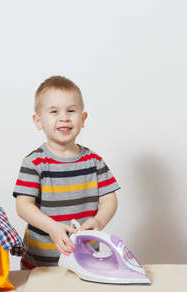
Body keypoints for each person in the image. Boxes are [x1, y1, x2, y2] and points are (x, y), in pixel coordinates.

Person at [13, 75, 120, 269]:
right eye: (54, 112)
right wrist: (52, 227)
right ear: (38, 121)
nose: (64, 117)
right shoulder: (34, 162)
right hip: (40, 263)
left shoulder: (94, 161)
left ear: (83, 118)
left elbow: (109, 199)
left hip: (83, 260)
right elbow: (23, 206)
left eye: (71, 111)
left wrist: (99, 220)